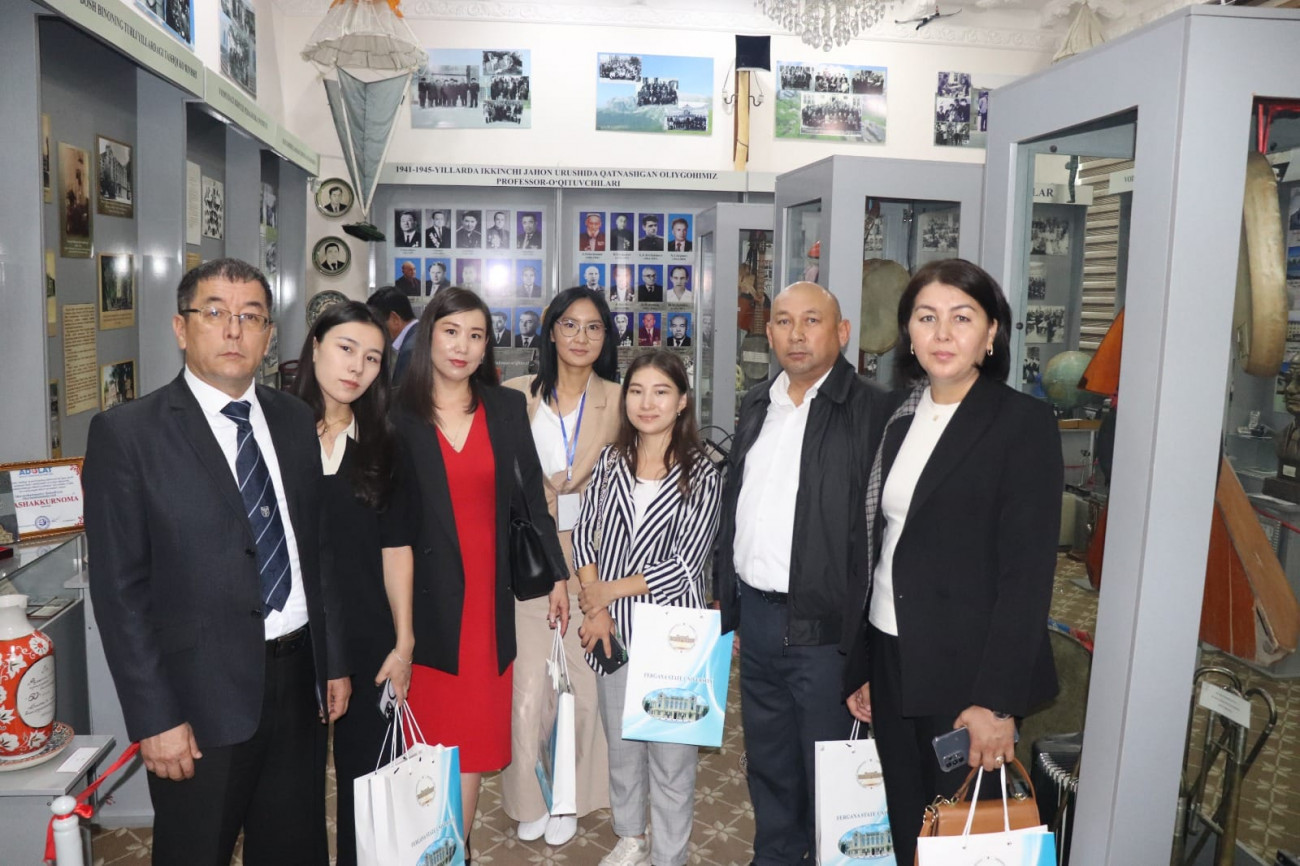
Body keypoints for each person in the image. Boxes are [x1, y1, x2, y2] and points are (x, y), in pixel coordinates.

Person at [83, 258, 349, 866]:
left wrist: (331, 661)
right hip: (198, 700)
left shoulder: (292, 418)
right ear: (181, 328)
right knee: (195, 851)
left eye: (251, 317)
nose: (234, 330)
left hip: (298, 681)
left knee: (294, 848)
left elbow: (315, 548)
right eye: (215, 313)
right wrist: (155, 718)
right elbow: (120, 594)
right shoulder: (128, 435)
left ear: (268, 335)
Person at [843, 259, 1063, 866]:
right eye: (926, 318)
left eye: (961, 318)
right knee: (909, 825)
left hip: (968, 674)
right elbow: (881, 547)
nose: (942, 334)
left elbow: (1027, 578)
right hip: (893, 657)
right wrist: (864, 664)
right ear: (909, 334)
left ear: (991, 333)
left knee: (966, 839)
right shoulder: (899, 417)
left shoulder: (1022, 424)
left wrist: (997, 703)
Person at [714, 281, 887, 866]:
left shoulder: (873, 411)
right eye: (784, 321)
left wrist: (867, 650)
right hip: (758, 620)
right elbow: (736, 505)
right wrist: (730, 602)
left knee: (829, 772)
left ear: (842, 332)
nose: (796, 333)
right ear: (768, 333)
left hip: (827, 632)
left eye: (812, 320)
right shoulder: (757, 404)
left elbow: (883, 537)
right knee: (769, 762)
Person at [393, 288, 569, 857]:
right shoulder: (394, 414)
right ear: (429, 336)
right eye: (451, 332)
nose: (462, 346)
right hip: (420, 603)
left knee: (468, 742)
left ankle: (454, 851)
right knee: (425, 741)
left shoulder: (505, 408)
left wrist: (558, 576)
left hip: (486, 606)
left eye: (475, 335)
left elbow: (532, 500)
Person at [573, 350, 722, 866]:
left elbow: (685, 565)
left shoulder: (702, 472)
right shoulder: (610, 461)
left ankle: (670, 855)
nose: (646, 402)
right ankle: (631, 837)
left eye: (661, 391)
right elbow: (585, 537)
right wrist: (595, 607)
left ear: (682, 402)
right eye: (636, 391)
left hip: (675, 634)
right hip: (610, 629)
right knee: (622, 747)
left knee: (672, 757)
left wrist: (607, 592)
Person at [291, 302, 415, 866]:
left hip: (368, 632)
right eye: (346, 349)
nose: (357, 368)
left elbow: (397, 547)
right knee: (290, 790)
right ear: (315, 345)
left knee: (368, 785)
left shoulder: (385, 441)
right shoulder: (275, 430)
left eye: (372, 358)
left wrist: (404, 641)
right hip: (291, 632)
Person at [502, 287, 623, 846]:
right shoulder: (513, 396)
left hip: (594, 558)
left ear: (606, 338)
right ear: (550, 331)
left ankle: (570, 797)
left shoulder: (619, 400)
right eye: (569, 325)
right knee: (529, 687)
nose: (581, 337)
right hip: (530, 556)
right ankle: (530, 796)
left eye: (593, 327)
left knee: (583, 688)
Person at [367, 286, 418, 383]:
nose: (377, 332)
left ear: (395, 319)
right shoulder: (421, 335)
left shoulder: (410, 351)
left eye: (378, 325)